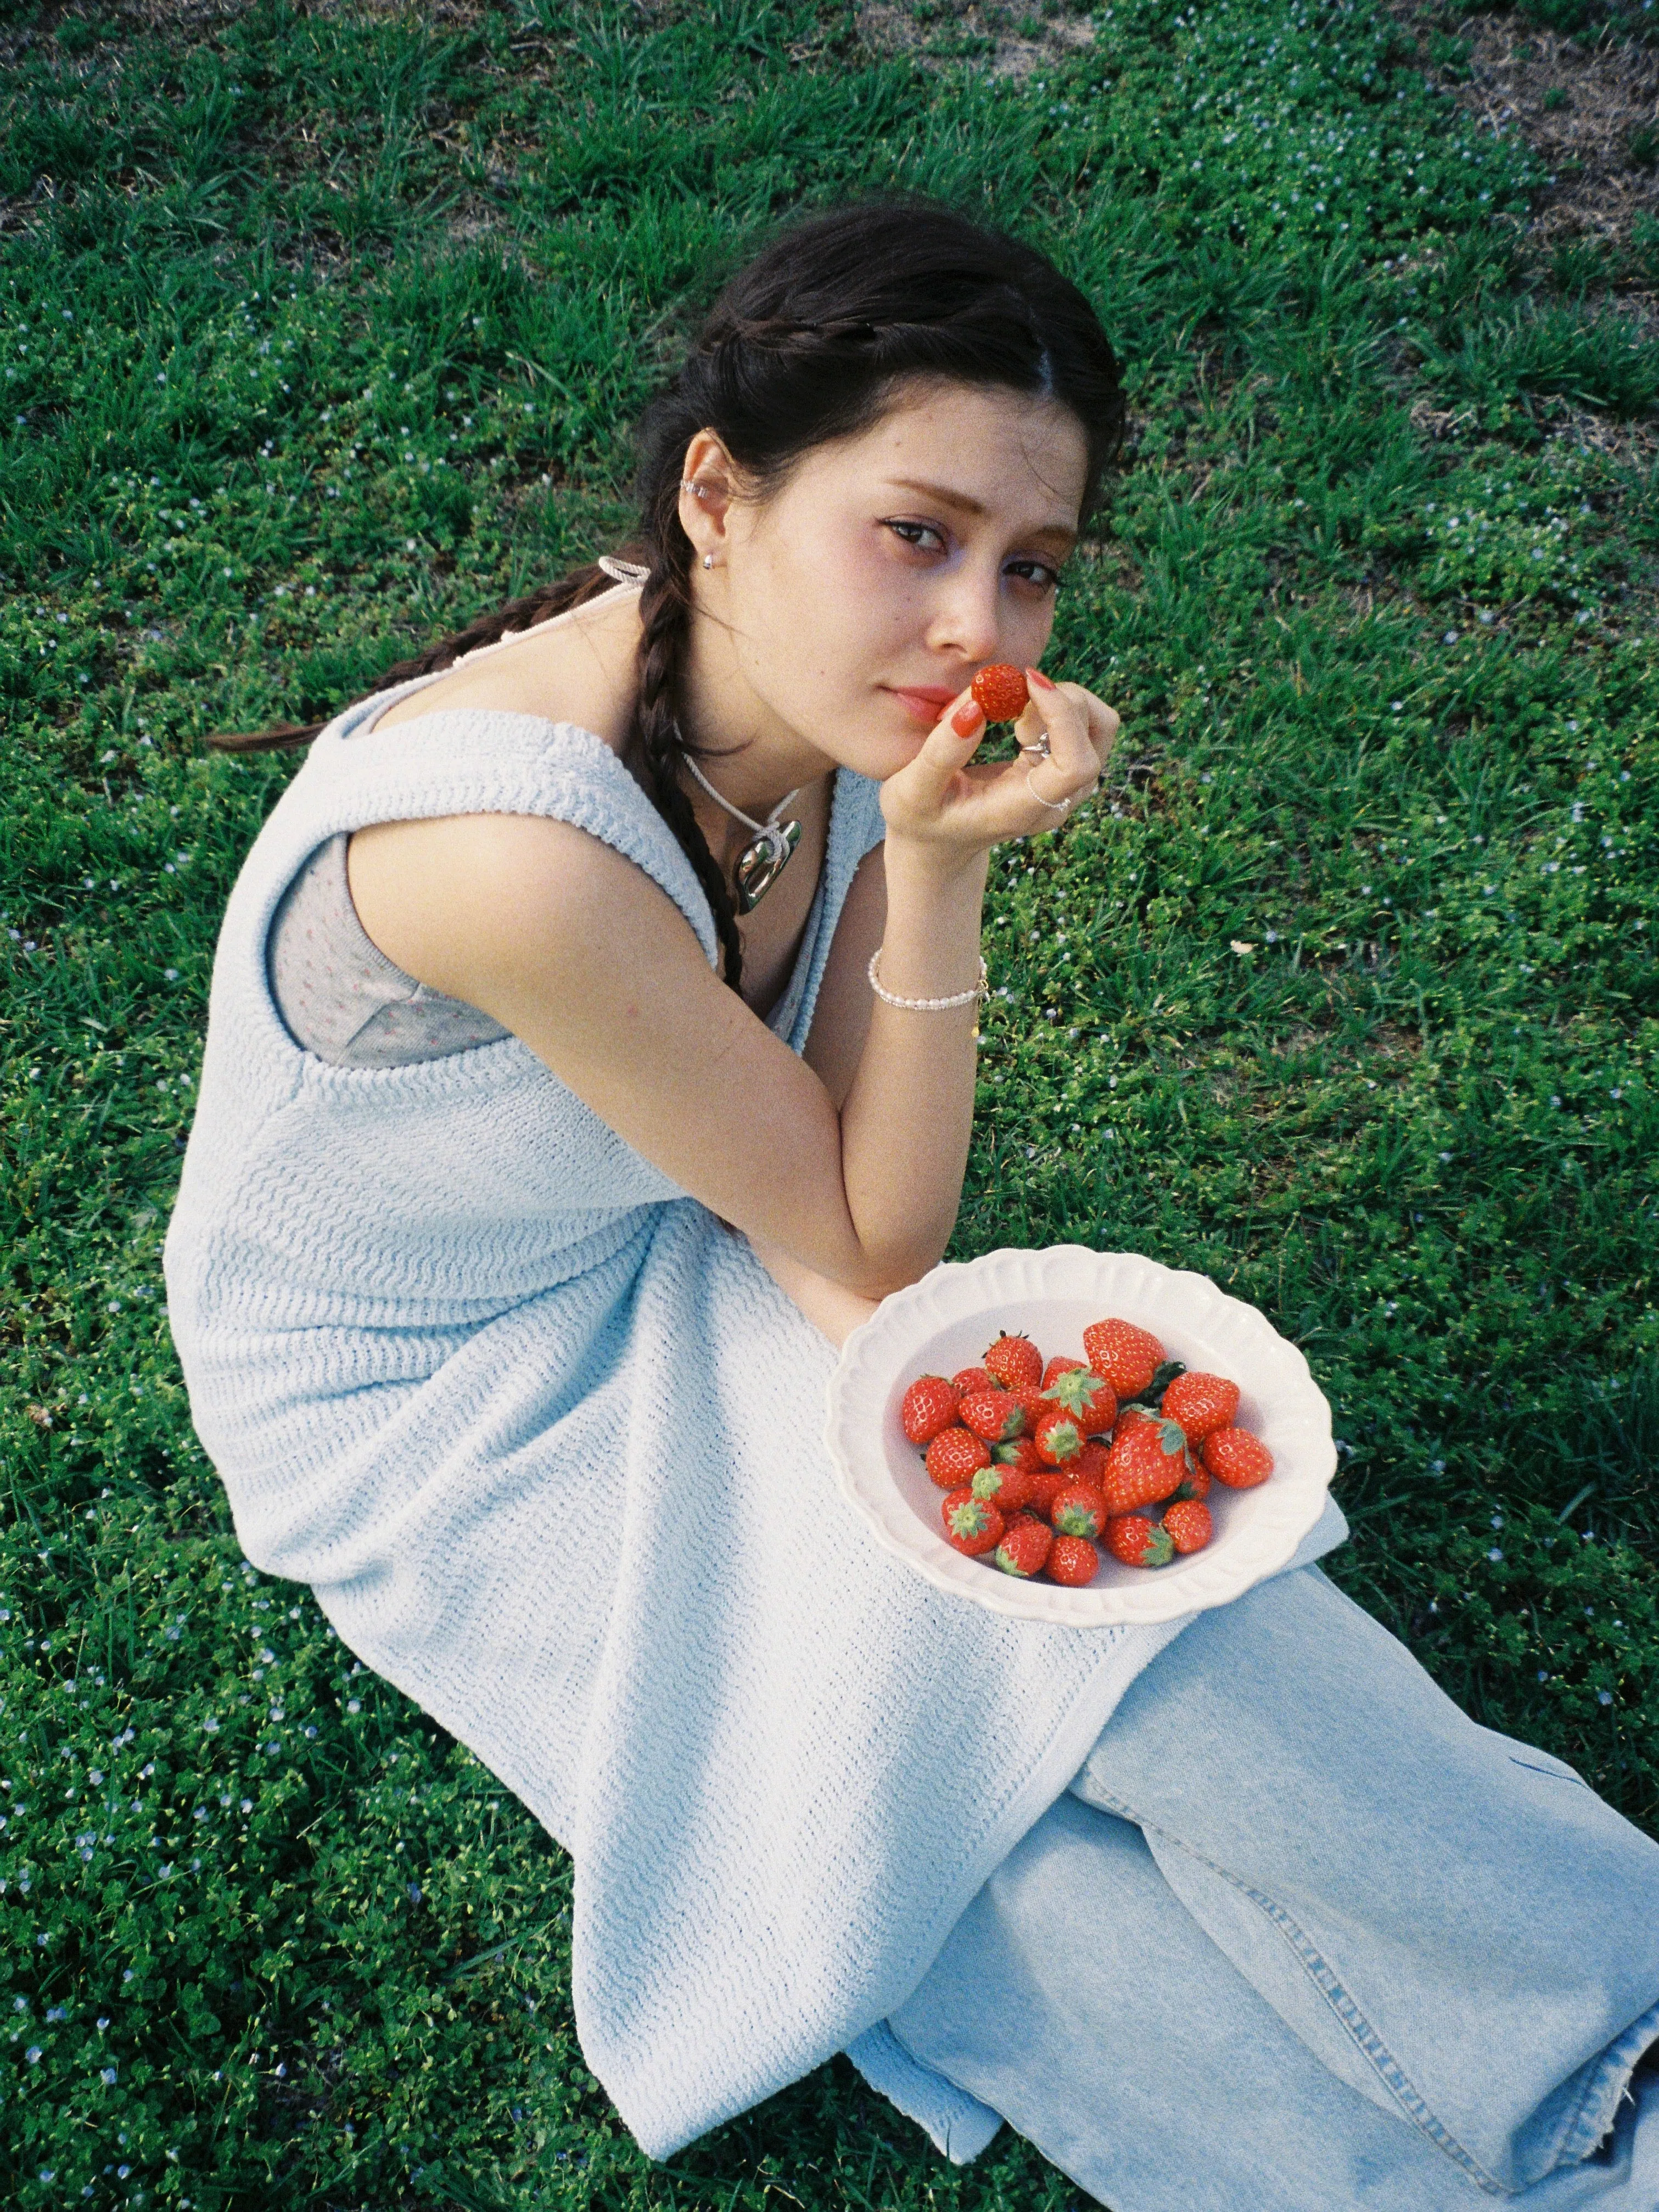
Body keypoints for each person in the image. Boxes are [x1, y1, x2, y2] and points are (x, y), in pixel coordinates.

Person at [165, 200, 1659, 2210]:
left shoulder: (816, 701)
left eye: (1028, 567)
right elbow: (867, 1235)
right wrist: (939, 872)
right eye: (918, 533)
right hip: (433, 1402)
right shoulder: (510, 852)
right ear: (718, 493)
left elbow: (855, 1208)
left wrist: (903, 836)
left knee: (1124, 1600)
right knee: (894, 1801)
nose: (985, 628)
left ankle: (1614, 2015)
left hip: (675, 1233)